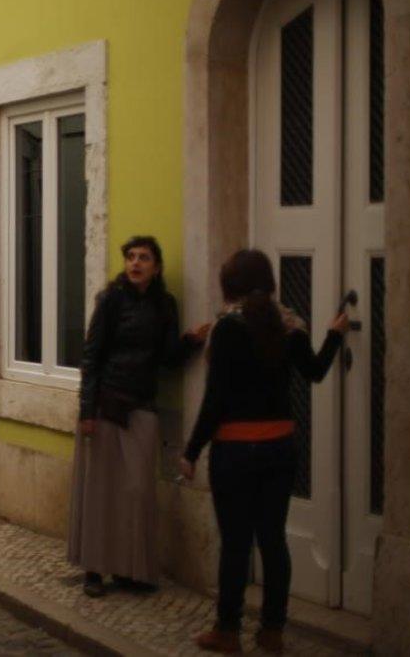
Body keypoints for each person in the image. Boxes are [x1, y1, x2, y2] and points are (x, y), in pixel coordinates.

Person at [179, 249, 349, 653]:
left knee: (236, 542)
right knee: (273, 539)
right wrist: (335, 335)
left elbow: (215, 399)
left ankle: (228, 630)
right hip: (279, 447)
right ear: (269, 282)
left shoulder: (226, 330)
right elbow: (315, 372)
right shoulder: (288, 324)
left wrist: (191, 451)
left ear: (229, 287)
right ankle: (272, 630)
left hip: (235, 451)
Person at [69, 235, 211, 598]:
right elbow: (91, 355)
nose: (135, 263)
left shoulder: (165, 305)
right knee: (101, 491)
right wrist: (87, 410)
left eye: (143, 258)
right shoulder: (110, 300)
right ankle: (95, 570)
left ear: (157, 267)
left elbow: (165, 359)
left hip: (142, 405)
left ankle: (129, 570)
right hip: (106, 405)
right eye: (131, 257)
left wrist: (191, 343)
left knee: (136, 491)